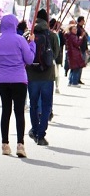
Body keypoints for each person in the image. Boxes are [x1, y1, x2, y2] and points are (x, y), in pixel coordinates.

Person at [0, 14, 36, 157]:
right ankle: (20, 145)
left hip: (3, 79)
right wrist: (32, 44)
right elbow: (29, 59)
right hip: (19, 78)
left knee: (6, 111)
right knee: (19, 112)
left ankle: (5, 144)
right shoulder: (20, 39)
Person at [26, 9, 59, 147]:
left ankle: (34, 129)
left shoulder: (28, 34)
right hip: (47, 75)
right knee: (46, 106)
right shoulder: (51, 35)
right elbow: (55, 55)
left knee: (33, 105)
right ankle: (41, 135)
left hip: (32, 75)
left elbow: (25, 54)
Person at [65, 23, 86, 87]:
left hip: (72, 53)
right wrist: (81, 38)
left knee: (73, 68)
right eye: (74, 29)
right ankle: (74, 82)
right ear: (71, 30)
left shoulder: (69, 36)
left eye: (76, 29)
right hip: (75, 54)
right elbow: (77, 44)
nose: (76, 30)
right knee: (76, 68)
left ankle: (71, 81)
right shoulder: (73, 36)